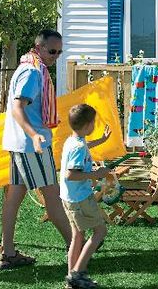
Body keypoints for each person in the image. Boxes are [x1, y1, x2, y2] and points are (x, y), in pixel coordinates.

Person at [0, 29, 71, 270]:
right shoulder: (32, 72)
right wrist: (34, 134)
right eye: (52, 51)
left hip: (19, 144)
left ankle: (8, 253)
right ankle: (76, 246)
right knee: (53, 196)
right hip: (33, 146)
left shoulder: (27, 66)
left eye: (59, 53)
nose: (55, 56)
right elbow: (18, 107)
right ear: (39, 48)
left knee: (14, 197)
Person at [61, 103, 112, 289]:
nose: (94, 125)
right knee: (100, 232)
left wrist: (101, 140)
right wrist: (96, 174)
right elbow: (70, 174)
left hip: (69, 197)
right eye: (93, 122)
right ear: (87, 125)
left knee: (77, 236)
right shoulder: (78, 148)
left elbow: (84, 146)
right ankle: (78, 273)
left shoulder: (72, 141)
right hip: (81, 198)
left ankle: (71, 279)